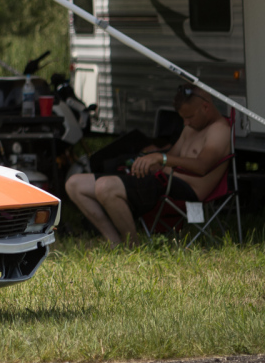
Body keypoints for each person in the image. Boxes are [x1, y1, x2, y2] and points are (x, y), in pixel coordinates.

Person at [65, 85, 231, 246]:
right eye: (183, 118)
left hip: (186, 189)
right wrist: (153, 157)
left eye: (189, 117)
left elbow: (202, 166)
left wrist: (161, 158)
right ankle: (114, 243)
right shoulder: (192, 127)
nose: (186, 123)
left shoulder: (219, 130)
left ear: (205, 107)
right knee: (74, 184)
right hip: (162, 180)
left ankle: (132, 247)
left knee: (105, 187)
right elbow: (172, 155)